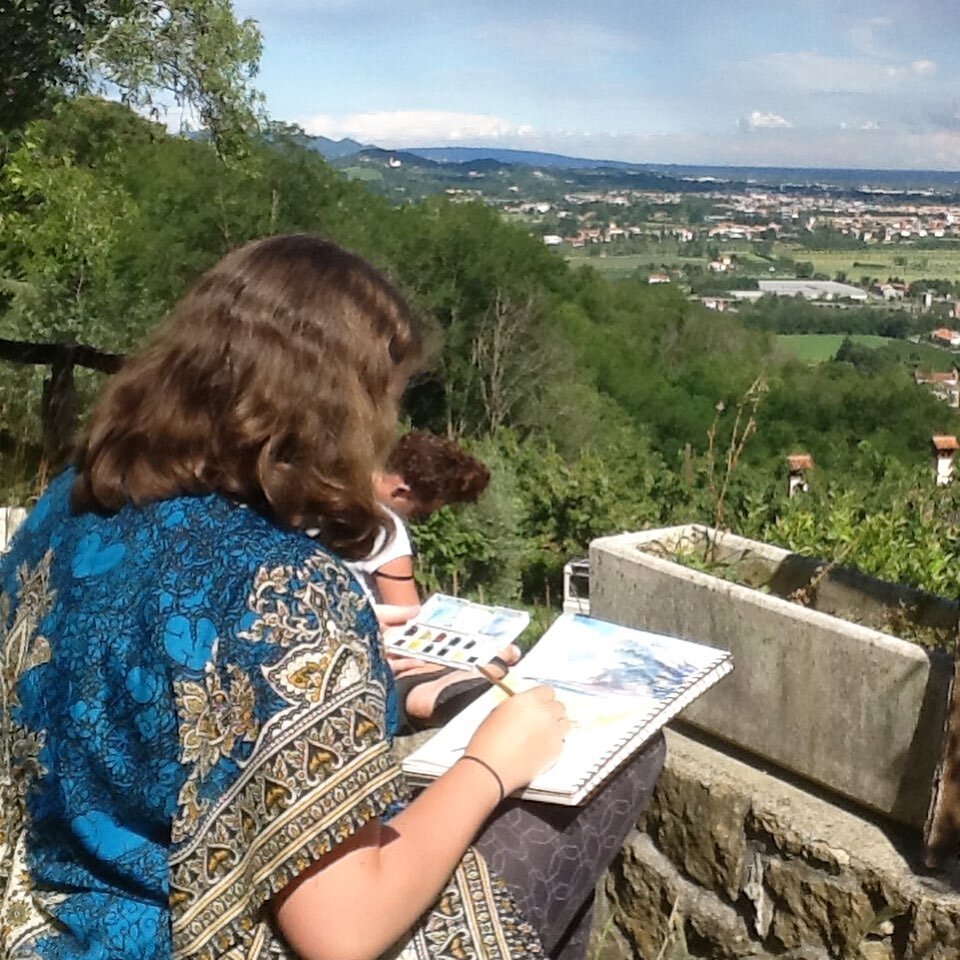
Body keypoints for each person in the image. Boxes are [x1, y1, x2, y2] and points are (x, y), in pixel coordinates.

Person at [0, 234, 664, 960]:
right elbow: (341, 932)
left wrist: (386, 688)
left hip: (50, 921)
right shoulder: (283, 584)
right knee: (622, 762)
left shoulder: (69, 501)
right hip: (191, 938)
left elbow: (173, 706)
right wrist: (491, 766)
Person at [346, 431, 516, 730]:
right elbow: (409, 620)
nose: (413, 521)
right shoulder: (384, 529)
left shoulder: (324, 498)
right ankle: (430, 696)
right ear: (401, 492)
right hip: (362, 650)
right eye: (420, 514)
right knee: (505, 653)